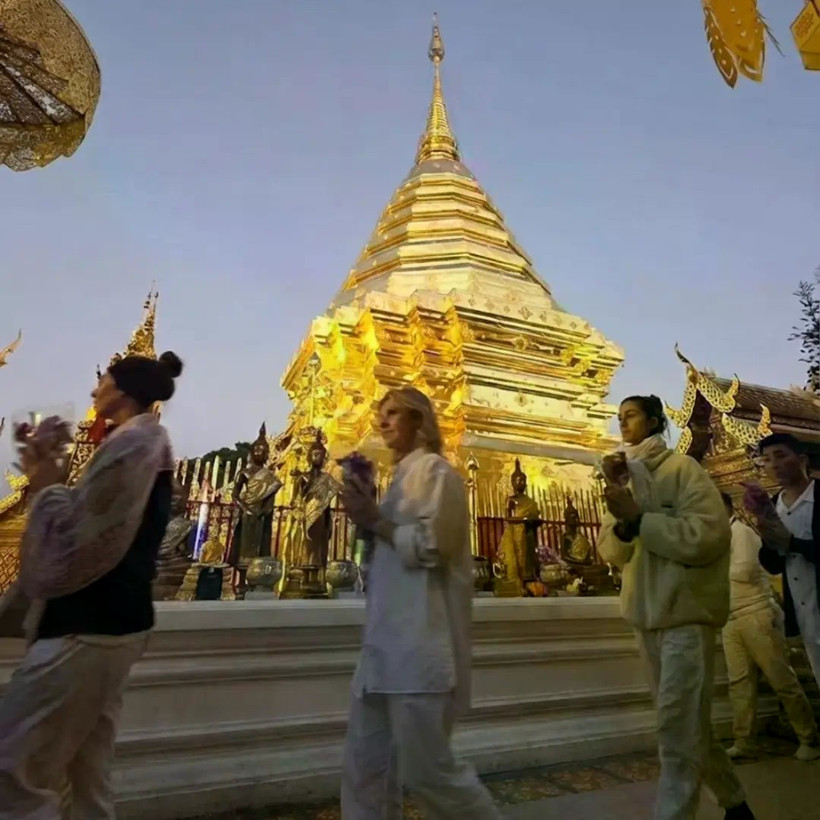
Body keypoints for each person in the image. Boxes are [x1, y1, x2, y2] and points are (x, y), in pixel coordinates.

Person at [0, 350, 183, 819]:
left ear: (120, 390)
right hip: (106, 626)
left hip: (89, 624)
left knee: (12, 770)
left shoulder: (138, 445)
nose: (93, 389)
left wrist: (45, 487)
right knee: (84, 777)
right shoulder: (129, 444)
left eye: (101, 380)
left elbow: (85, 541)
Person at [339, 386, 500, 819]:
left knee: (429, 772)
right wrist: (367, 518)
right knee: (364, 770)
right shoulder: (397, 483)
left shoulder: (436, 473)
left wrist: (375, 520)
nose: (382, 421)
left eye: (394, 413)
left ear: (419, 421)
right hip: (381, 649)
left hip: (419, 648)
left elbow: (434, 546)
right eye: (380, 413)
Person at [597, 395, 753, 820]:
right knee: (688, 724)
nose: (622, 422)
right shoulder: (623, 479)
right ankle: (736, 804)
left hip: (686, 615)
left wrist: (642, 520)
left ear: (653, 421)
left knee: (675, 728)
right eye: (619, 416)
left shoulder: (684, 471)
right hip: (645, 616)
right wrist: (627, 522)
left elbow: (707, 537)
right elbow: (611, 551)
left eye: (629, 415)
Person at [719, 492, 818, 761]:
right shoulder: (717, 538)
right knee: (738, 682)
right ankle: (744, 740)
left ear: (724, 508)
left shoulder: (741, 533)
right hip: (730, 617)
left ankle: (808, 737)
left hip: (756, 612)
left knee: (781, 678)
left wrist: (710, 569)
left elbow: (744, 571)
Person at [750, 434, 819, 685]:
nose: (774, 465)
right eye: (766, 459)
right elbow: (774, 564)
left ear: (801, 460)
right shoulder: (773, 506)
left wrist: (793, 543)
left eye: (781, 456)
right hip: (804, 618)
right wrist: (766, 531)